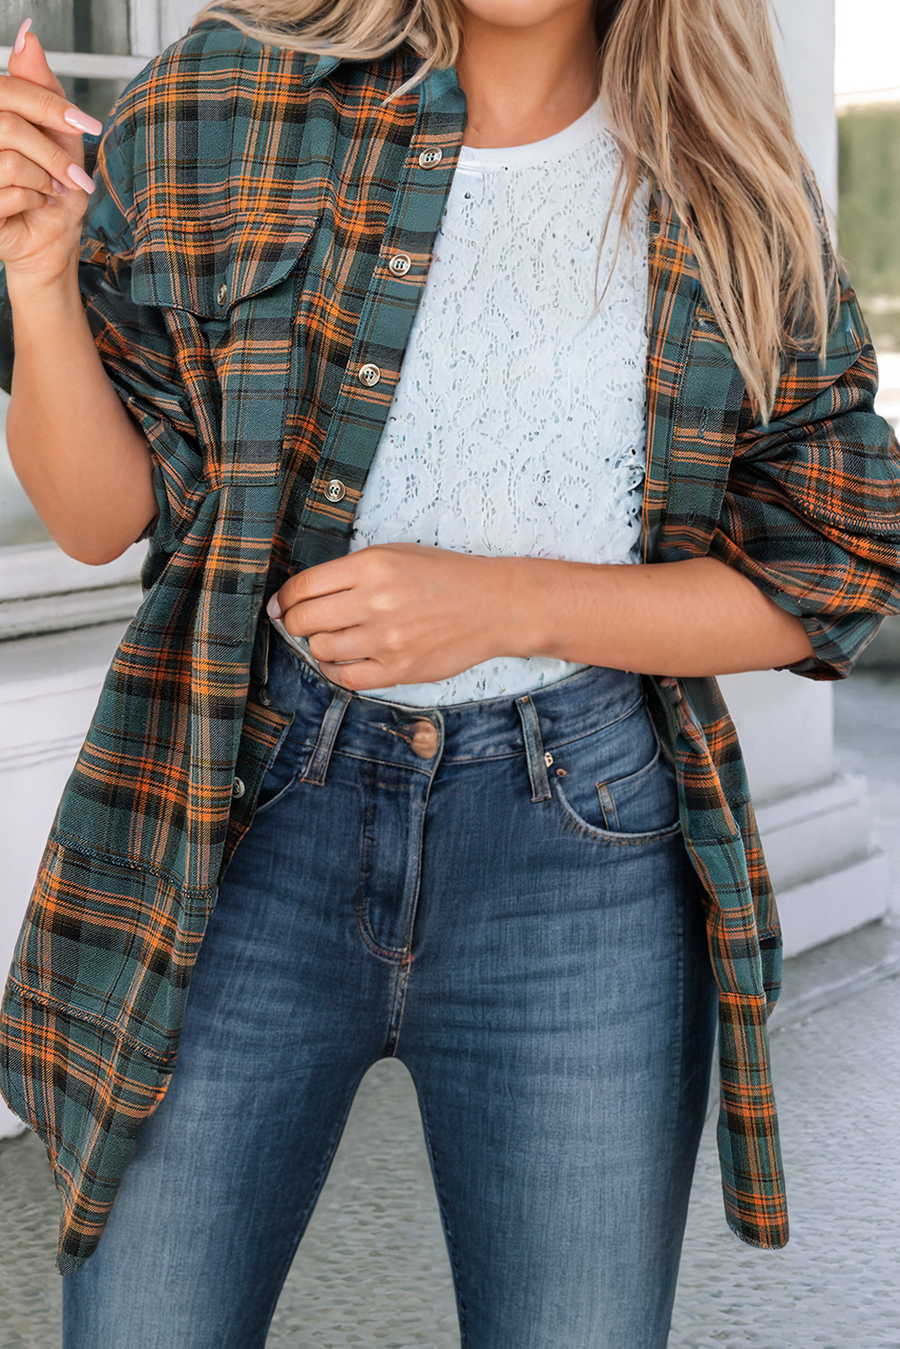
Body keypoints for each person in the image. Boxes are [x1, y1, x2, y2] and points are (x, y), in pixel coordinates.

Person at [0, 1, 898, 1345]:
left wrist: (509, 603)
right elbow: (95, 516)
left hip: (583, 849)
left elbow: (836, 566)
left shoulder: (726, 176)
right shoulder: (227, 97)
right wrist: (34, 271)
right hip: (244, 817)